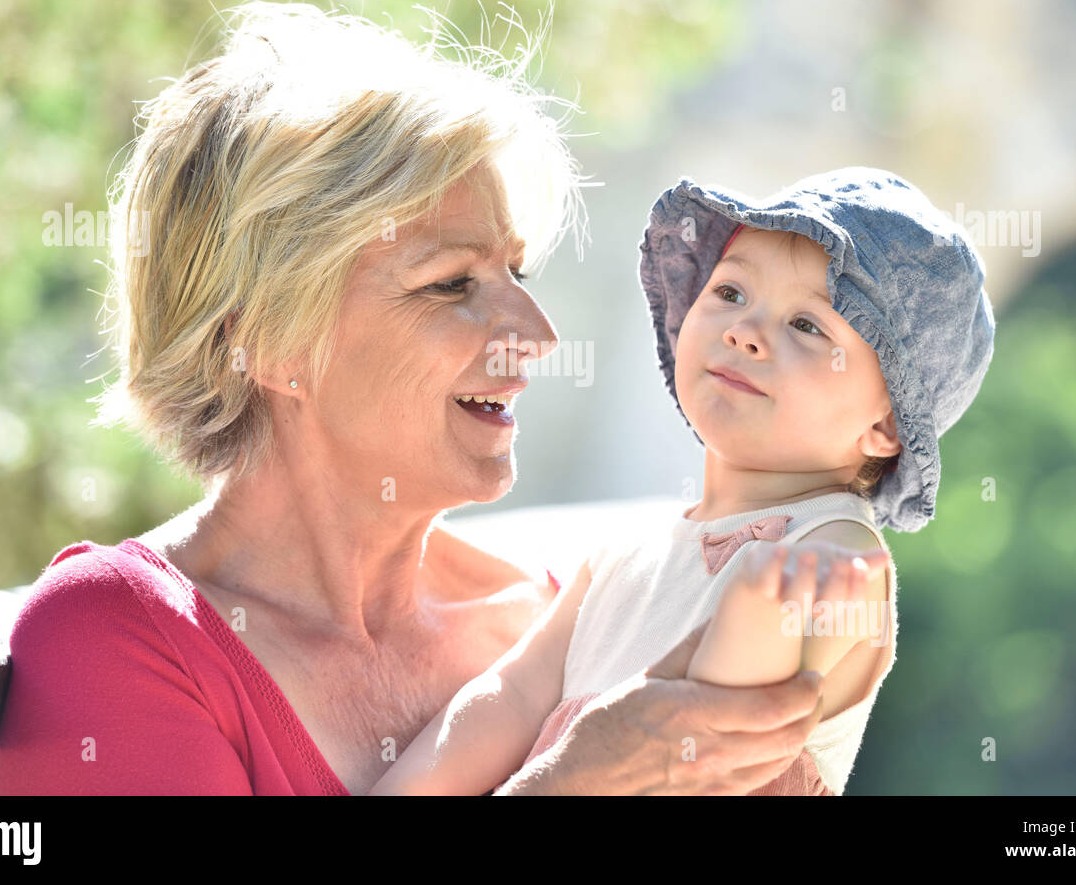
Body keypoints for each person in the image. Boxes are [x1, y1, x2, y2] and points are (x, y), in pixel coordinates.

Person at [0, 0, 847, 795]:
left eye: (517, 271)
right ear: (269, 341)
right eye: (450, 284)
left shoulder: (551, 626)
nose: (537, 334)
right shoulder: (119, 640)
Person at [369, 167, 996, 795]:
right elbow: (511, 692)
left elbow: (707, 739)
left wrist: (758, 609)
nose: (744, 331)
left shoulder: (836, 552)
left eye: (807, 326)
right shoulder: (626, 549)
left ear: (885, 426)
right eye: (730, 292)